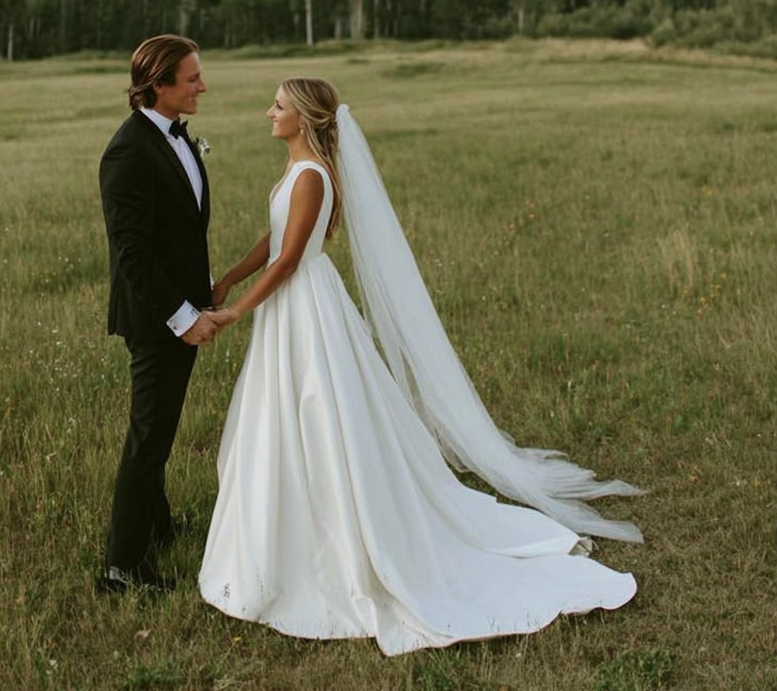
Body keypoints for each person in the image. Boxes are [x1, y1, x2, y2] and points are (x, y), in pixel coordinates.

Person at [201, 77, 642, 655]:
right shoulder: (297, 170)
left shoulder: (313, 176)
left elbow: (287, 262)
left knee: (318, 406)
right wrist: (231, 275)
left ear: (304, 118)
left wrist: (235, 310)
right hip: (292, 305)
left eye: (278, 107)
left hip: (305, 305)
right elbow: (274, 238)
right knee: (282, 410)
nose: (269, 113)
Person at [97, 35, 217, 594]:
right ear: (160, 84)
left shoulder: (173, 137)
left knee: (159, 432)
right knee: (148, 439)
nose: (202, 86)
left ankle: (159, 526)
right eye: (191, 78)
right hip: (156, 318)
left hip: (182, 306)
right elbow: (133, 256)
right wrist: (182, 316)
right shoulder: (128, 150)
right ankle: (122, 566)